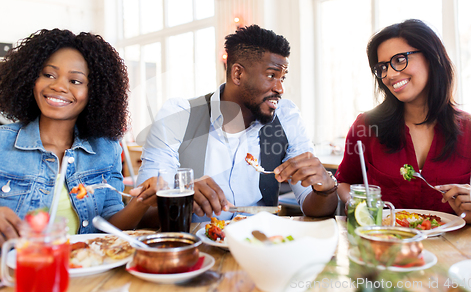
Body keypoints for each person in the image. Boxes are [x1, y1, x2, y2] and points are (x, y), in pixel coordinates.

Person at [138, 24, 338, 221]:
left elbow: (313, 206)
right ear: (238, 74)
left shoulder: (287, 117)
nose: (280, 88)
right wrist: (182, 196)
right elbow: (142, 212)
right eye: (271, 76)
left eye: (282, 78)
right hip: (197, 247)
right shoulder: (179, 116)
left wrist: (326, 189)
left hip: (262, 245)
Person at [0, 29, 156, 245]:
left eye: (75, 81)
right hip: (17, 273)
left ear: (95, 93)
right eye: (48, 74)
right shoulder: (2, 144)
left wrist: (141, 202)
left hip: (87, 273)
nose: (59, 86)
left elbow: (111, 226)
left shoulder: (106, 149)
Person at [335, 19, 471, 224]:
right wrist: (359, 205)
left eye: (400, 60)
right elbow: (345, 181)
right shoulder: (366, 126)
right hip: (385, 248)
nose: (390, 74)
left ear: (431, 57)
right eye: (382, 67)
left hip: (455, 251)